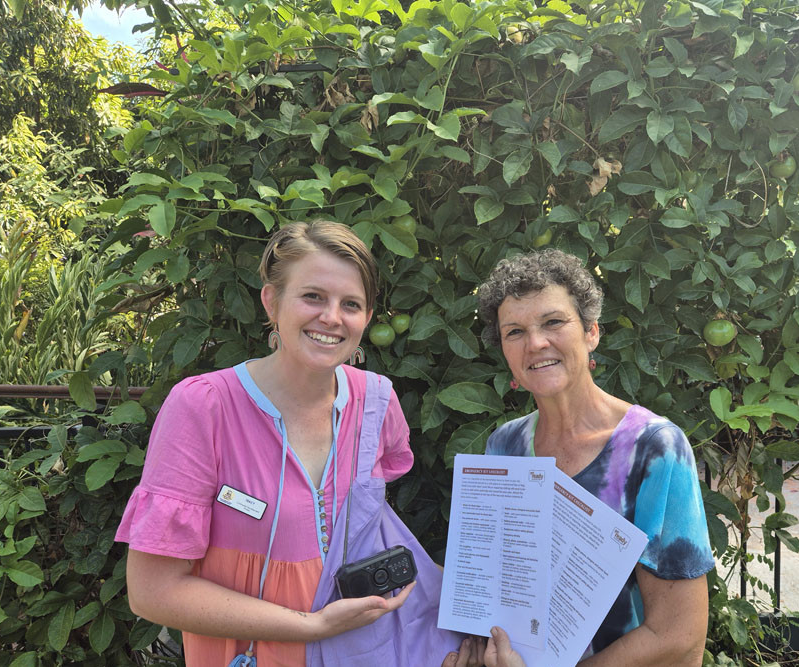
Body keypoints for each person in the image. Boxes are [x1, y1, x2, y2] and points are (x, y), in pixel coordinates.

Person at [115, 221, 463, 666]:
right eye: (313, 296)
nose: (332, 317)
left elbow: (365, 527)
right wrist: (311, 625)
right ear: (272, 301)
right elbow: (152, 593)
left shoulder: (378, 402)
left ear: (368, 319)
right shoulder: (203, 407)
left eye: (351, 304)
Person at [472, 248, 715, 666]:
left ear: (591, 332)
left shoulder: (655, 449)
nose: (536, 343)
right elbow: (505, 590)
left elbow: (679, 634)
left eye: (553, 322)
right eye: (514, 332)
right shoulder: (504, 447)